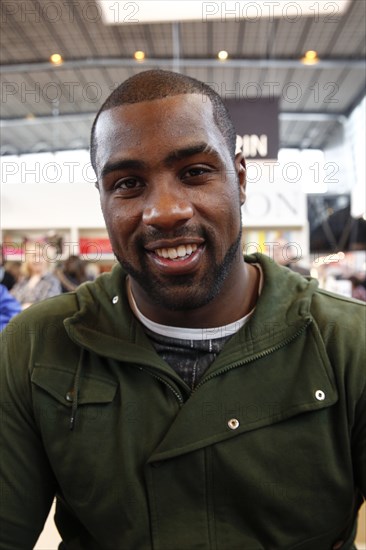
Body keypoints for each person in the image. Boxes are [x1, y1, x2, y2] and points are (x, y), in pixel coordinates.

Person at [1, 70, 365, 550]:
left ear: (238, 179)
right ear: (104, 202)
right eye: (128, 183)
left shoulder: (348, 344)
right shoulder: (37, 348)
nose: (165, 211)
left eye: (194, 172)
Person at [10, 242, 61, 308]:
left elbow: (50, 306)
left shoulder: (53, 281)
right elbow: (10, 300)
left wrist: (27, 307)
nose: (37, 260)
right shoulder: (23, 281)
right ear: (28, 260)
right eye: (34, 256)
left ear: (48, 260)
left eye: (41, 256)